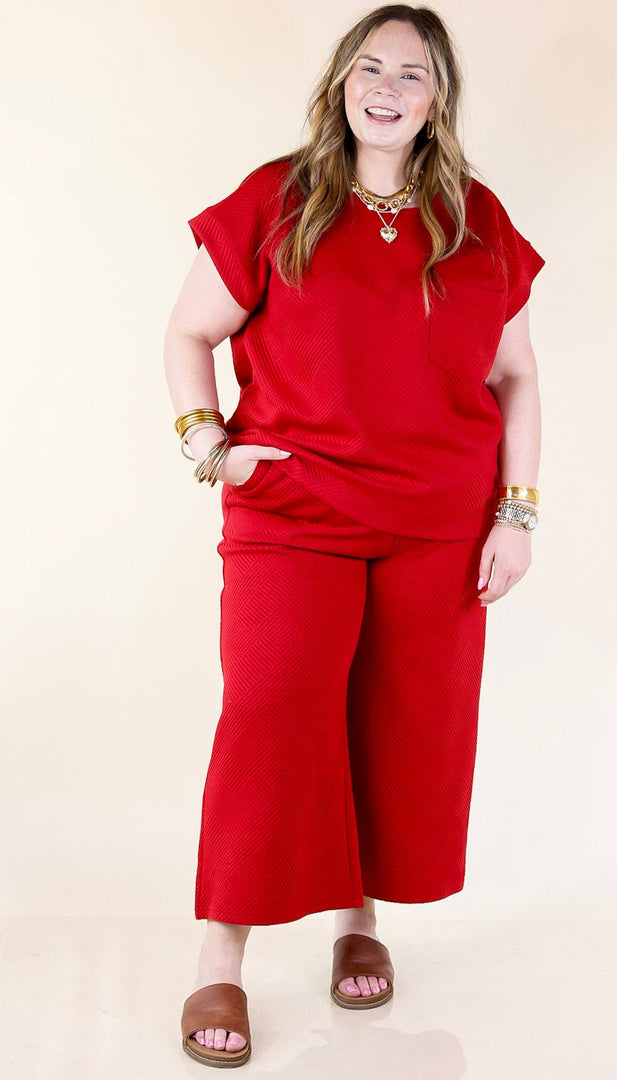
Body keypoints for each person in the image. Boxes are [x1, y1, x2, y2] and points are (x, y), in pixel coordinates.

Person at [165, 2, 545, 1068]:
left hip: (438, 526)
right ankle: (219, 961)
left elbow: (516, 375)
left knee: (396, 725)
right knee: (272, 715)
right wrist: (211, 445)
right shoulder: (277, 198)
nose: (387, 88)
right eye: (369, 67)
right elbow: (188, 332)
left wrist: (516, 512)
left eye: (411, 74)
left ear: (437, 100)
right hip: (295, 516)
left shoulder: (476, 219)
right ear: (342, 82)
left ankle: (357, 920)